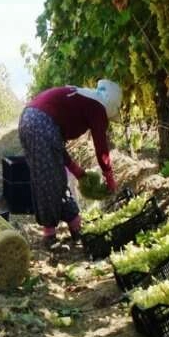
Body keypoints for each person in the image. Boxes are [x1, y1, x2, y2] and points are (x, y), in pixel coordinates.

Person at [18, 79, 122, 247]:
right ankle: (50, 235)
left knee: (53, 178)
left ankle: (74, 225)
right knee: (48, 181)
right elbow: (101, 148)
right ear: (111, 104)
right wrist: (109, 176)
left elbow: (56, 141)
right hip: (38, 123)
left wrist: (76, 170)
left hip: (30, 121)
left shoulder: (86, 99)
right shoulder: (98, 108)